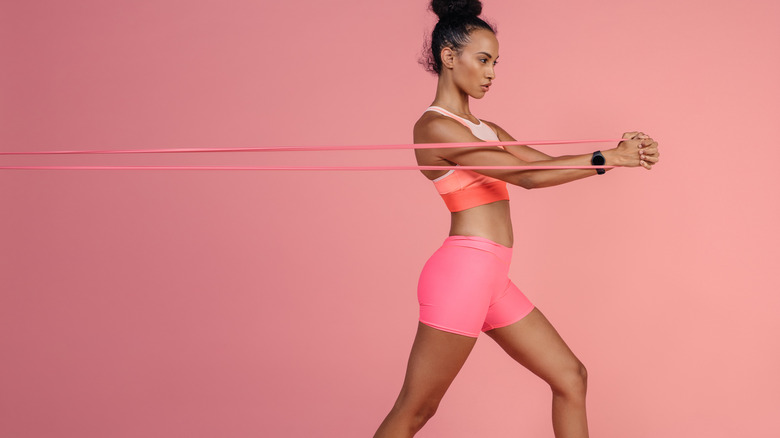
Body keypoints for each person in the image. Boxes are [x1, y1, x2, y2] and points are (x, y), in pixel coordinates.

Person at [373, 1, 660, 437]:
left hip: (493, 278)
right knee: (417, 408)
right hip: (463, 274)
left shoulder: (486, 127)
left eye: (496, 63)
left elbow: (543, 166)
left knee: (570, 377)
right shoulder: (433, 127)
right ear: (449, 58)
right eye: (483, 60)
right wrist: (608, 158)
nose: (491, 73)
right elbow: (523, 176)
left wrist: (616, 153)